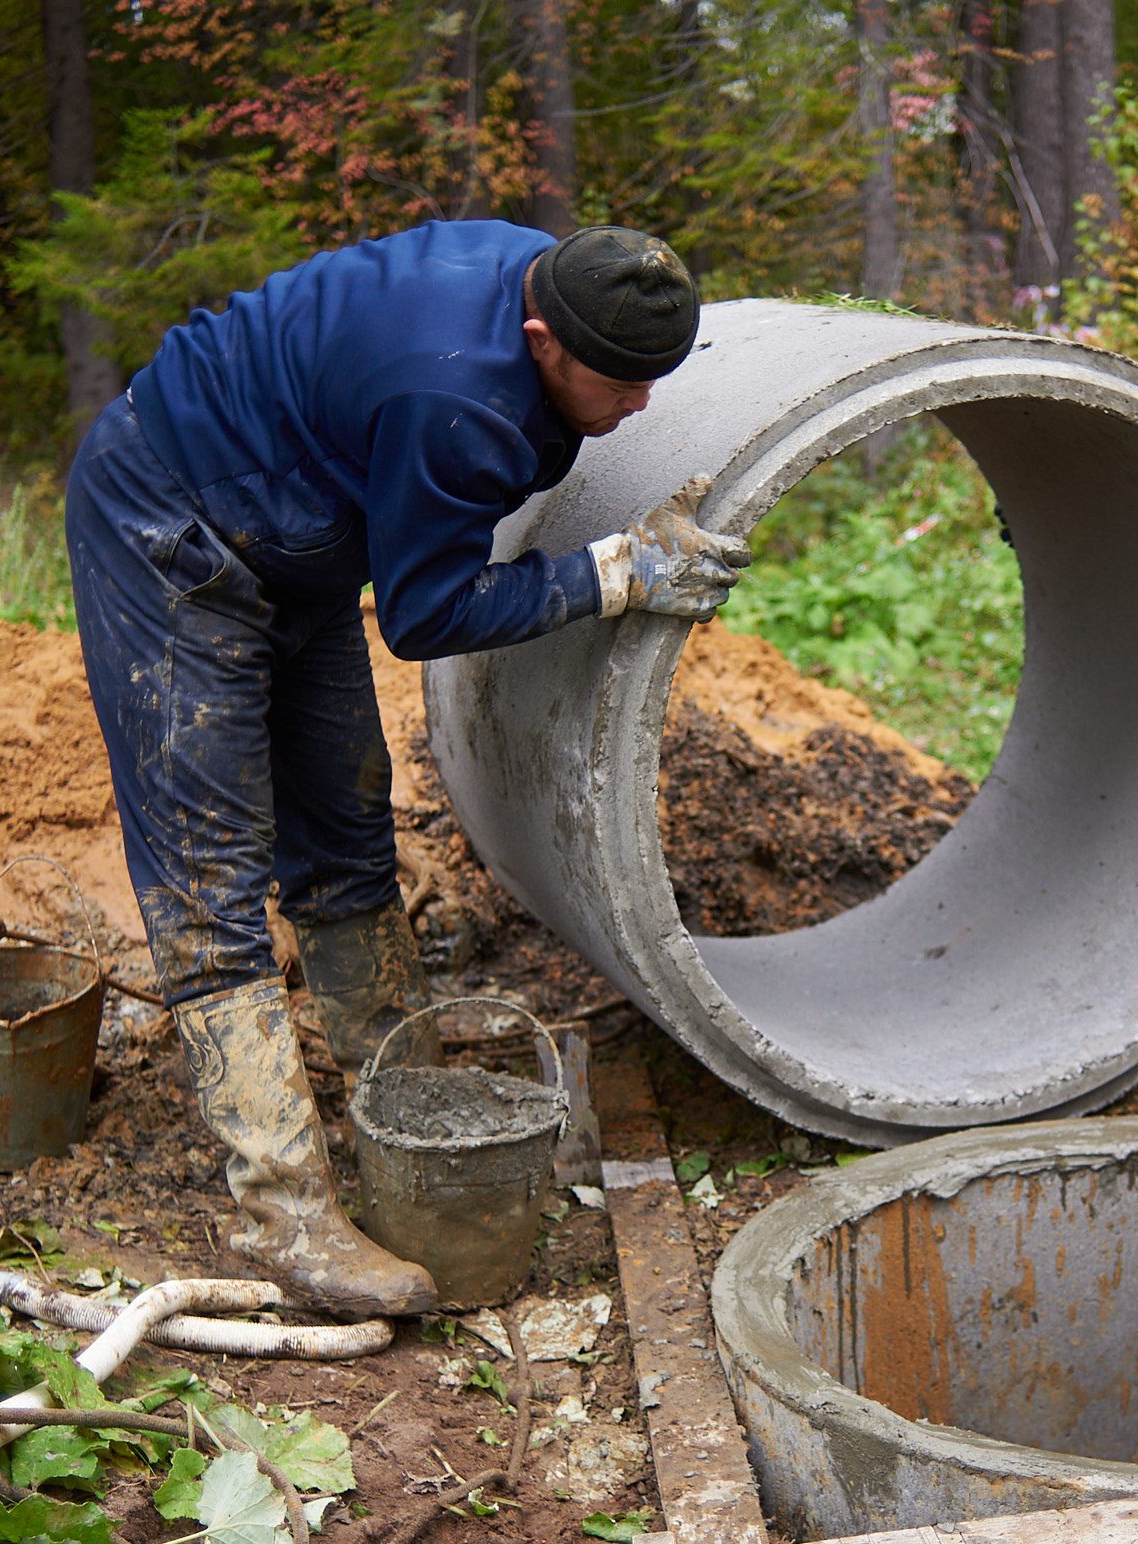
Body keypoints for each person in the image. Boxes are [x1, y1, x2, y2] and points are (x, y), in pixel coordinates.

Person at [65, 221, 747, 1319]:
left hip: (296, 527)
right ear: (541, 335)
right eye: (619, 384)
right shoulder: (454, 396)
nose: (640, 409)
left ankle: (404, 1108)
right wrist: (616, 571)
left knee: (343, 823)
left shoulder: (562, 275)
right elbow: (427, 615)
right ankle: (284, 1212)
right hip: (169, 524)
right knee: (213, 875)